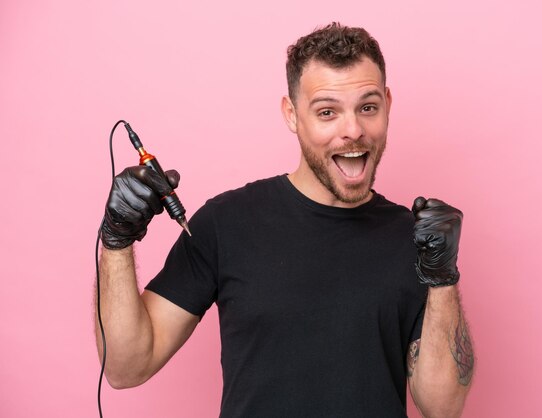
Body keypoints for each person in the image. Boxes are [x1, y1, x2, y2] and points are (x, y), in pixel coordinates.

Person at [95, 23, 474, 417]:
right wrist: (117, 240)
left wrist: (443, 278)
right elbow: (126, 368)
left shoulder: (413, 239)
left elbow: (442, 408)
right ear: (292, 115)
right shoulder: (226, 224)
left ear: (388, 105)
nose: (353, 130)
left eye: (368, 107)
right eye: (327, 112)